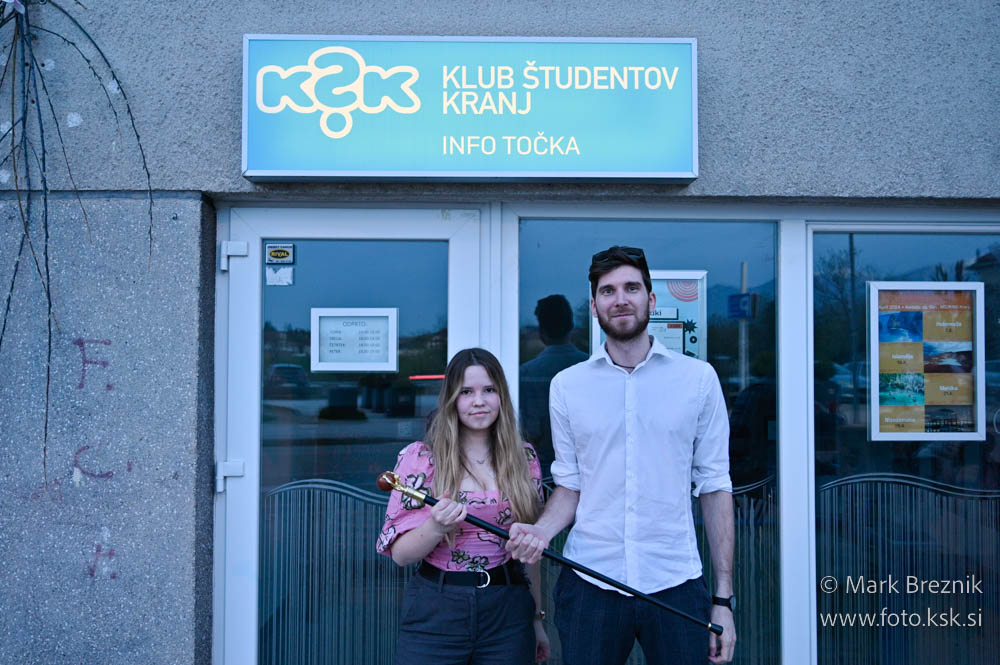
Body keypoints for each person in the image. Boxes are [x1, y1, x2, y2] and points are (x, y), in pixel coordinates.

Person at [506, 246, 737, 665]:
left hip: (676, 580)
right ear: (594, 307)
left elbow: (715, 484)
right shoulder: (567, 386)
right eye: (608, 291)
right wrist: (541, 531)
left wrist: (723, 599)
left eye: (632, 288)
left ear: (651, 299)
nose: (621, 299)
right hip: (590, 580)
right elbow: (570, 484)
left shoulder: (698, 380)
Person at [377, 347, 551, 665]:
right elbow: (401, 556)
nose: (479, 401)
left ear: (502, 396)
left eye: (489, 390)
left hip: (507, 610)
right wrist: (435, 527)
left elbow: (530, 554)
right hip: (437, 607)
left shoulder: (523, 457)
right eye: (466, 392)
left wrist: (536, 619)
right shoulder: (421, 458)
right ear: (451, 399)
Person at [519, 294, 589, 477]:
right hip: (585, 467)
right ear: (571, 326)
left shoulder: (526, 373)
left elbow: (531, 430)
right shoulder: (589, 366)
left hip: (543, 469)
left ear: (541, 330)